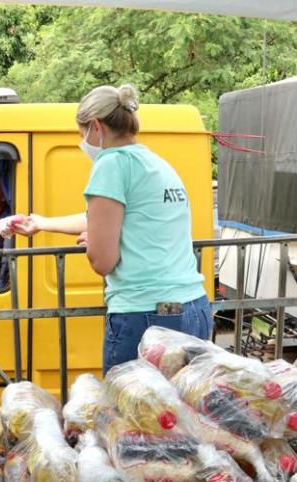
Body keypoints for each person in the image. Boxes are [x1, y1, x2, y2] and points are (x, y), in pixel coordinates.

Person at [14, 85, 211, 370]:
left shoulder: (111, 165)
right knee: (183, 412)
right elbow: (106, 218)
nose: (83, 142)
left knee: (131, 412)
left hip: (146, 316)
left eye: (82, 134)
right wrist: (42, 223)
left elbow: (102, 261)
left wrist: (96, 241)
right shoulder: (154, 163)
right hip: (192, 308)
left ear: (95, 126)